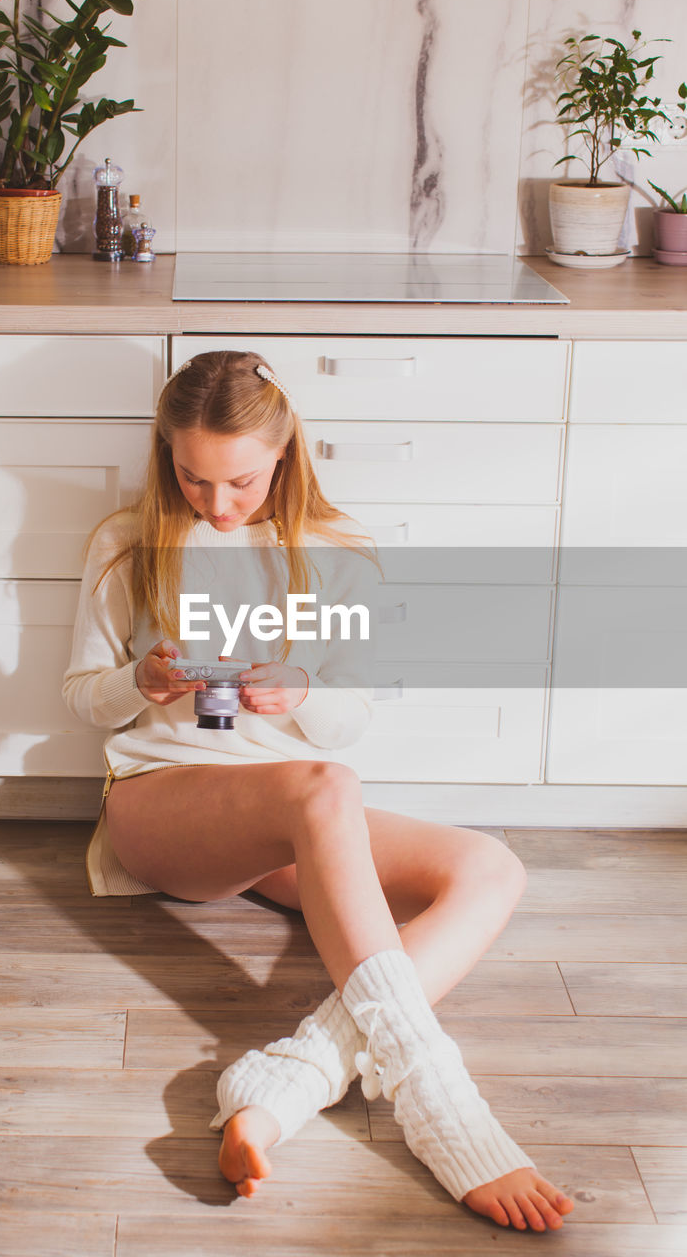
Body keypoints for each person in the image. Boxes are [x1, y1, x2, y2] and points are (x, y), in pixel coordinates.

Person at [62, 350, 574, 1232]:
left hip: (289, 804)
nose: (215, 504)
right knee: (324, 787)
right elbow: (80, 699)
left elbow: (350, 722)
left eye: (240, 483)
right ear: (165, 457)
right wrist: (135, 685)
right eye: (192, 477)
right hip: (163, 804)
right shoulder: (126, 542)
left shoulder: (337, 554)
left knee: (489, 868)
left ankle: (294, 1077)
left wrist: (302, 692)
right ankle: (441, 1108)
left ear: (285, 455)